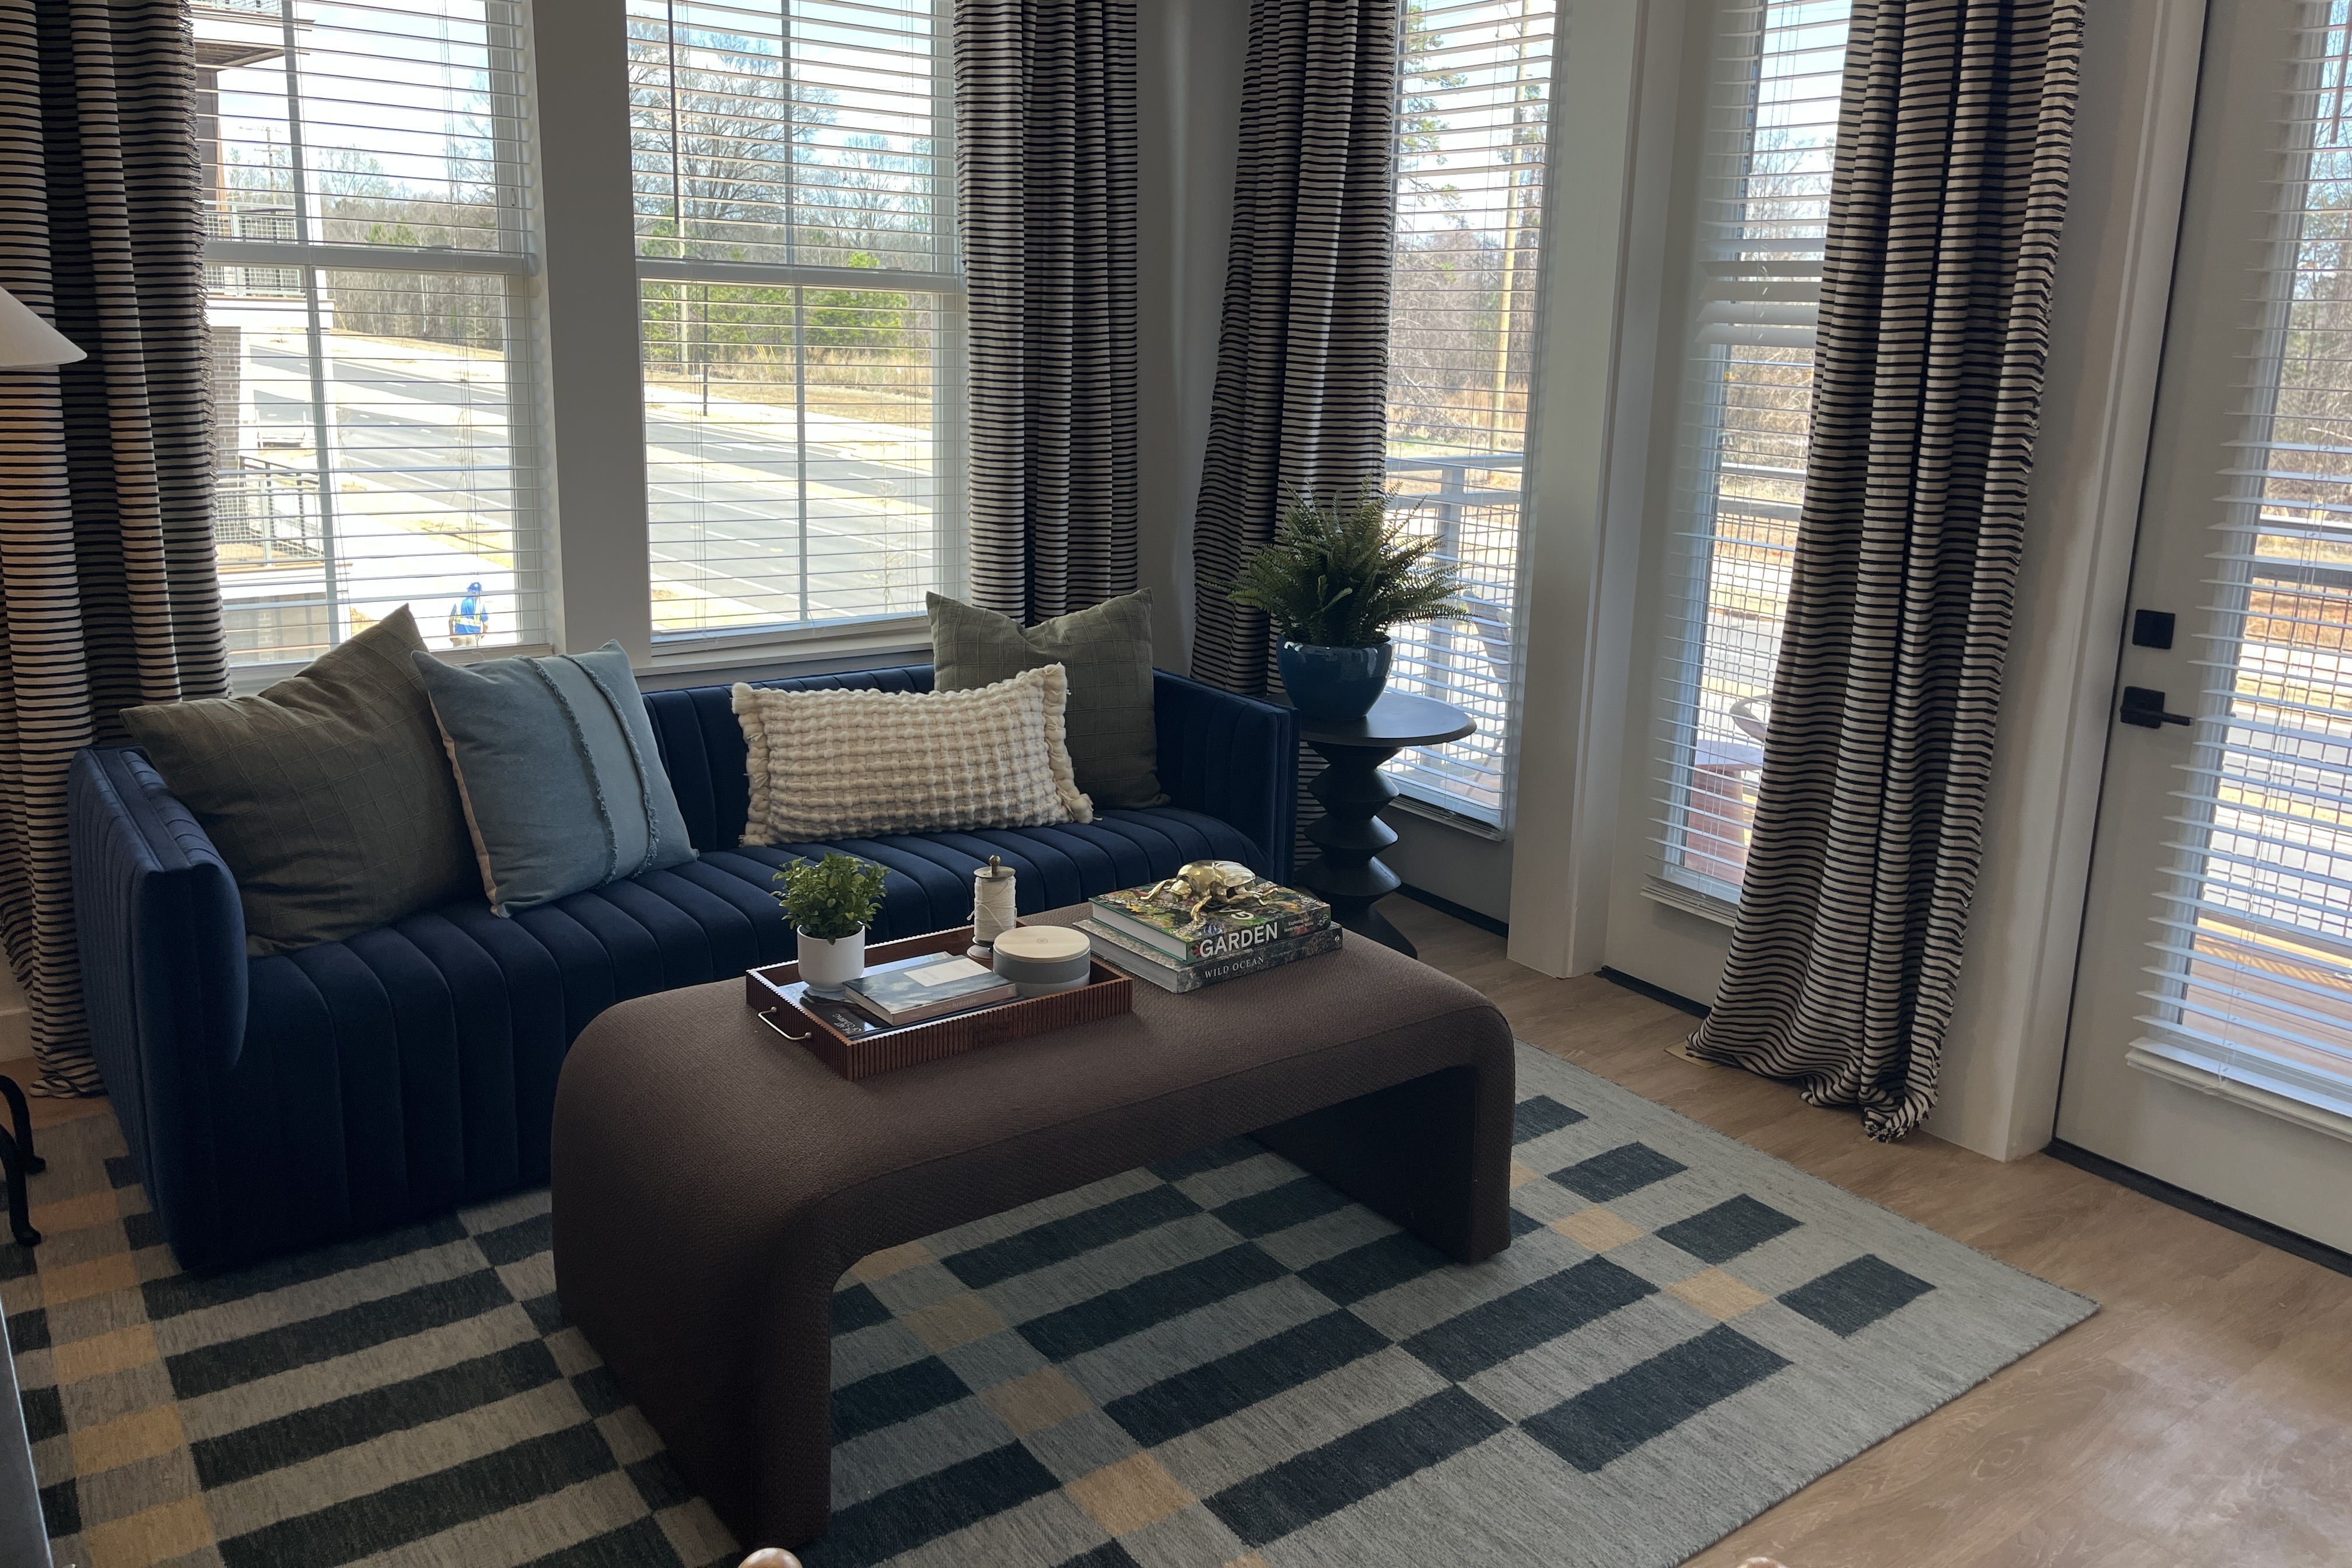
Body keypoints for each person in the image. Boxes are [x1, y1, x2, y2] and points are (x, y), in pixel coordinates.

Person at [449, 582, 488, 647]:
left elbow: (450, 621)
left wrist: (451, 634)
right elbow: (486, 625)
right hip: (474, 638)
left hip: (459, 637)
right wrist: (482, 636)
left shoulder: (458, 603)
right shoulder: (480, 605)